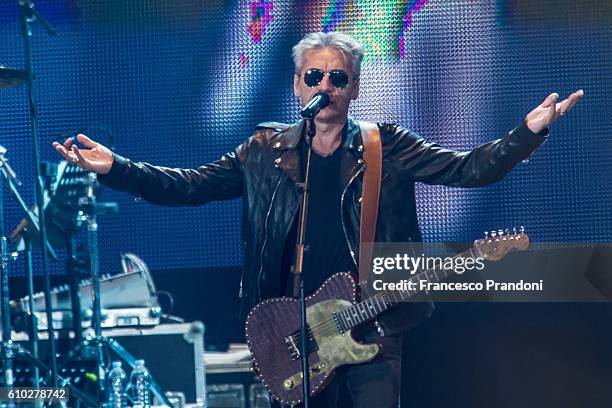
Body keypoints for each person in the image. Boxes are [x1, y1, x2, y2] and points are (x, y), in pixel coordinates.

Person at [54, 32, 583, 408]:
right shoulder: (264, 148)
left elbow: (471, 169)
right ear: (297, 86)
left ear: (353, 89)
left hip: (372, 323)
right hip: (292, 329)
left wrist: (527, 131)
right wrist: (117, 169)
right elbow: (188, 186)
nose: (325, 85)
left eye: (338, 77)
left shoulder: (385, 146)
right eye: (315, 76)